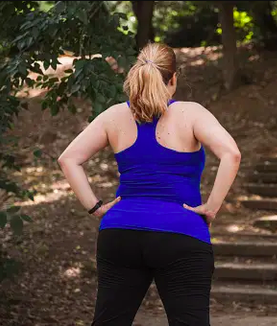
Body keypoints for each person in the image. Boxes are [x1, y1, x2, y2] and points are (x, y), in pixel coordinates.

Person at [58, 43, 241, 326]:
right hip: (181, 233)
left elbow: (68, 159)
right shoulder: (192, 114)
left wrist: (96, 207)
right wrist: (211, 208)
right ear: (174, 78)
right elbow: (232, 154)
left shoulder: (114, 115)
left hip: (120, 232)